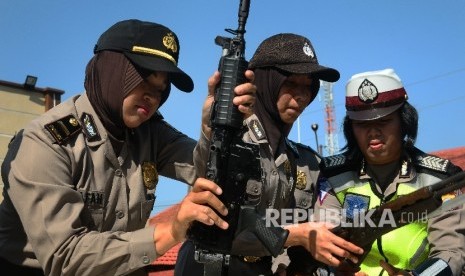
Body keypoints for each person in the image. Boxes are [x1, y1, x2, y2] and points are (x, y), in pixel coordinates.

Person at [0, 19, 257, 276]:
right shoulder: (45, 142)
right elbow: (66, 258)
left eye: (161, 89)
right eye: (143, 80)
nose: (153, 97)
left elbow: (211, 175)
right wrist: (170, 230)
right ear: (111, 70)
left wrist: (216, 127)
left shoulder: (151, 133)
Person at [175, 33, 364, 276]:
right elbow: (218, 220)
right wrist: (294, 236)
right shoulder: (229, 139)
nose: (301, 96)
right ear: (266, 82)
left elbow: (323, 225)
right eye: (291, 84)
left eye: (308, 87)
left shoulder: (306, 163)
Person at [313, 68, 465, 275]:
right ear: (350, 128)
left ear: (404, 122)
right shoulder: (333, 176)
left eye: (383, 121)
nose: (373, 131)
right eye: (362, 124)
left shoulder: (441, 178)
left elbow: (451, 252)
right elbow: (324, 239)